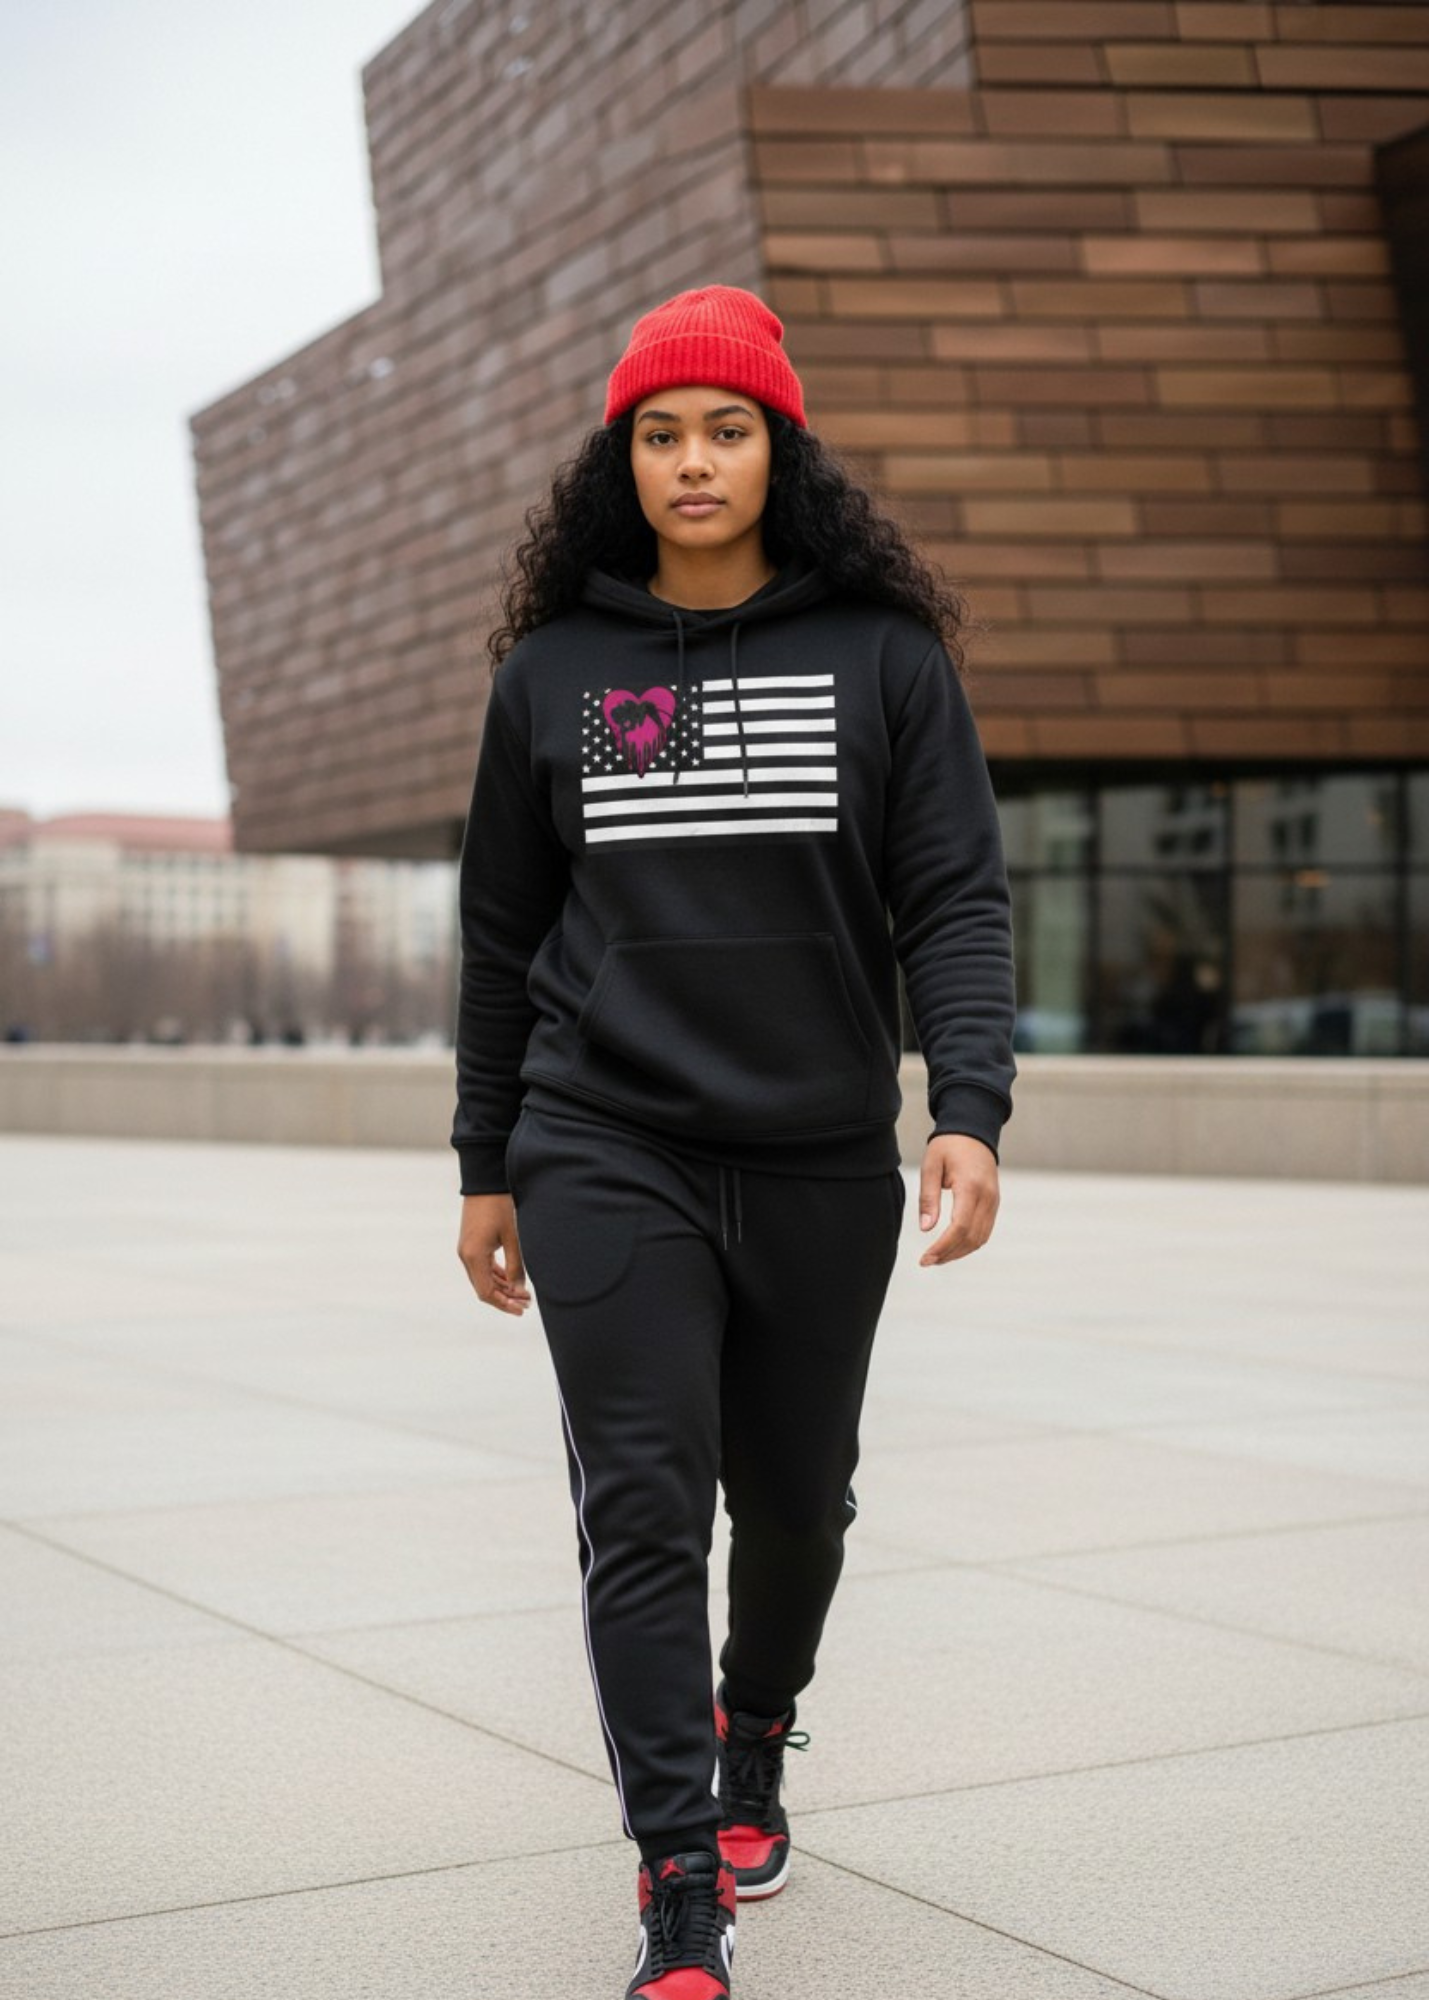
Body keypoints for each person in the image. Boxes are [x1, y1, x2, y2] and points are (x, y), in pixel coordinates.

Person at [452, 283, 1016, 2000]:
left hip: (817, 1154)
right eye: (659, 431)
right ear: (620, 461)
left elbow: (956, 900)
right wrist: (487, 1157)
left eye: (726, 426)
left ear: (780, 448)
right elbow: (497, 932)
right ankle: (679, 1890)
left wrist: (970, 1108)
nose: (692, 459)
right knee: (642, 1510)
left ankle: (754, 1724)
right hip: (602, 1139)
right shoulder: (555, 674)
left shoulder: (886, 660)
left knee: (797, 1507)